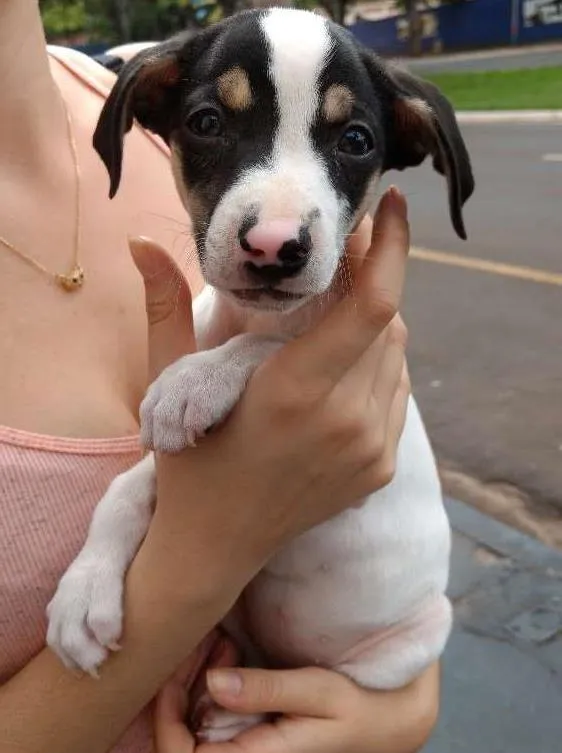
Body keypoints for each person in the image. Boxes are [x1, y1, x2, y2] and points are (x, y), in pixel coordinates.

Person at [0, 2, 440, 752]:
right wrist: (190, 557)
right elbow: (189, 481)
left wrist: (394, 716)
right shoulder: (142, 100)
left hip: (364, 645)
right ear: (158, 113)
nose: (274, 236)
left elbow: (413, 625)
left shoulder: (111, 98)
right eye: (210, 125)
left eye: (352, 138)